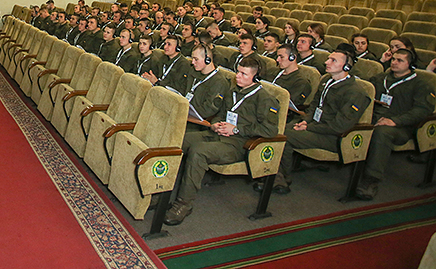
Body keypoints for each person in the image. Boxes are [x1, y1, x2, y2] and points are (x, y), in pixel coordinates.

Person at [164, 57, 279, 225]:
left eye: (243, 74)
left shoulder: (265, 99)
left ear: (255, 77)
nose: (237, 76)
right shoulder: (234, 91)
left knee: (198, 152)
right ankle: (161, 192)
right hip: (219, 134)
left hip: (239, 143)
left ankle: (184, 204)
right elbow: (221, 113)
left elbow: (270, 130)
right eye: (238, 72)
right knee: (178, 139)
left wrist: (237, 129)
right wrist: (215, 124)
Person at [273, 47, 370, 193]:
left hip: (334, 136)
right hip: (316, 126)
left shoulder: (355, 92)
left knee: (285, 135)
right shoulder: (326, 81)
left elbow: (339, 126)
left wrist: (309, 127)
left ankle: (279, 179)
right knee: (280, 129)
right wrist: (306, 121)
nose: (326, 62)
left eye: (333, 60)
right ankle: (279, 175)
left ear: (346, 67)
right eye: (328, 59)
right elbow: (314, 106)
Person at [356, 49, 435, 199]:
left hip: (402, 126)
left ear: (410, 64)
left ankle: (371, 180)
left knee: (382, 132)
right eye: (393, 59)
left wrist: (395, 121)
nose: (394, 63)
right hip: (376, 117)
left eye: (400, 60)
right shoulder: (382, 78)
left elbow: (422, 111)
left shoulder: (420, 84)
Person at [181, 44, 230, 130]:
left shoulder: (219, 82)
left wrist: (185, 112)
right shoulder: (193, 72)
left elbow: (208, 110)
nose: (193, 62)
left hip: (198, 122)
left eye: (196, 59)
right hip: (185, 114)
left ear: (208, 60)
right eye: (192, 59)